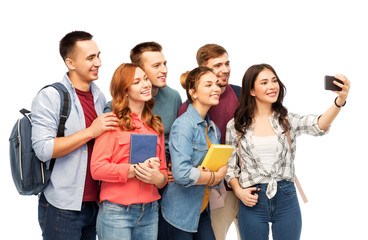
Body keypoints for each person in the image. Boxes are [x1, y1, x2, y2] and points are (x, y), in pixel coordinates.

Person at [225, 63, 350, 240]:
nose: (272, 86)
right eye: (264, 82)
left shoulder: (286, 120)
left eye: (274, 81)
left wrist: (340, 102)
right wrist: (239, 191)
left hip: (286, 196)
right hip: (252, 199)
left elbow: (319, 124)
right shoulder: (236, 126)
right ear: (251, 91)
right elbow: (230, 168)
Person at [31, 31, 119, 240]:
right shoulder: (50, 96)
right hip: (62, 206)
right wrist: (91, 131)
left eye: (98, 55)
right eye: (90, 58)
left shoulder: (99, 96)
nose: (98, 62)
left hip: (95, 203)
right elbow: (43, 150)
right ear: (70, 63)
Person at [90, 63, 168, 240]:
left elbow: (162, 173)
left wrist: (158, 178)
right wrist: (134, 170)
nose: (146, 85)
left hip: (149, 211)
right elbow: (97, 169)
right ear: (124, 90)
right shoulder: (111, 122)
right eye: (137, 82)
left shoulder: (156, 125)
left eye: (146, 79)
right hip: (116, 212)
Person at [177, 44, 241, 240]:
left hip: (247, 184)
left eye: (227, 63)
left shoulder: (242, 94)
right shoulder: (188, 108)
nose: (225, 69)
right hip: (217, 188)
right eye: (217, 65)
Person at [160, 67, 228, 239]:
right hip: (179, 213)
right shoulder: (183, 125)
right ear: (193, 93)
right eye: (208, 85)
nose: (216, 89)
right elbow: (182, 174)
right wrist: (215, 177)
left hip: (202, 209)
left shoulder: (213, 129)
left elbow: (212, 170)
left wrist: (213, 175)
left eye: (217, 84)